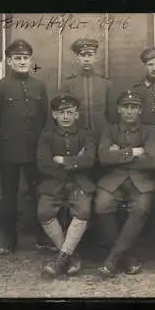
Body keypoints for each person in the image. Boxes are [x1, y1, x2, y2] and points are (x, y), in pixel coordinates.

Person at [0, 39, 53, 255]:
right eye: (18, 58)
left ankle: (42, 236)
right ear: (9, 61)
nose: (22, 61)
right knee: (9, 195)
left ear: (30, 60)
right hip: (10, 150)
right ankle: (9, 238)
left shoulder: (39, 86)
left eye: (25, 58)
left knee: (38, 193)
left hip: (35, 150)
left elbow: (45, 119)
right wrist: (0, 146)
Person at [94, 91, 155, 278]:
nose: (129, 111)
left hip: (141, 181)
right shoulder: (110, 130)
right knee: (102, 205)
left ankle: (112, 259)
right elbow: (104, 158)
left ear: (140, 110)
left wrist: (120, 153)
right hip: (114, 179)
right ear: (119, 109)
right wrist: (135, 152)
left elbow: (152, 161)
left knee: (140, 208)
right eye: (126, 107)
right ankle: (127, 258)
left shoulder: (150, 130)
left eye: (134, 107)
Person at [36, 94, 96, 278]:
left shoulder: (86, 134)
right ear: (54, 115)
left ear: (77, 115)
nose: (66, 117)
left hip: (80, 182)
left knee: (83, 210)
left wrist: (62, 160)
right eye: (61, 113)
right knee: (44, 212)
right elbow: (43, 164)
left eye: (70, 112)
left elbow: (90, 160)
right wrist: (75, 161)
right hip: (54, 182)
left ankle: (60, 259)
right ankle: (70, 255)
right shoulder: (47, 136)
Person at [59, 38, 116, 142]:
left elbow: (112, 116)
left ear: (95, 57)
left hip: (102, 136)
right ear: (77, 57)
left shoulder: (106, 84)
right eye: (83, 55)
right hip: (77, 137)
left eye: (90, 55)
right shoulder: (68, 84)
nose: (86, 59)